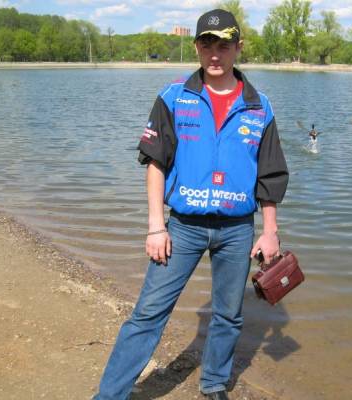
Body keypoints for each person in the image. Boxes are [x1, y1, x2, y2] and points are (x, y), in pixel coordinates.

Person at [93, 9, 288, 400]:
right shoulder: (173, 97)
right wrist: (155, 226)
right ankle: (109, 395)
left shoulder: (259, 106)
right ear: (196, 47)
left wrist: (270, 231)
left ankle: (213, 382)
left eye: (224, 45)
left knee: (229, 315)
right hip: (182, 227)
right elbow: (155, 163)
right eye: (207, 44)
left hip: (237, 231)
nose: (215, 54)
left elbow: (270, 174)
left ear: (238, 48)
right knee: (148, 313)